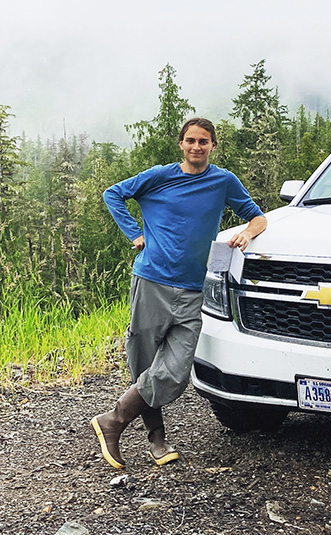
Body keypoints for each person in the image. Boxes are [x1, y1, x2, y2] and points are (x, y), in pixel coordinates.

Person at [92, 117, 267, 469]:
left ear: (213, 146)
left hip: (192, 288)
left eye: (204, 141)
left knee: (174, 369)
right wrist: (134, 233)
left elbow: (258, 217)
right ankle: (157, 439)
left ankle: (112, 420)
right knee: (143, 362)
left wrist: (248, 234)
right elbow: (114, 194)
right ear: (181, 144)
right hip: (152, 281)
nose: (196, 147)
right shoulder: (159, 176)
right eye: (190, 140)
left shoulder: (223, 181)